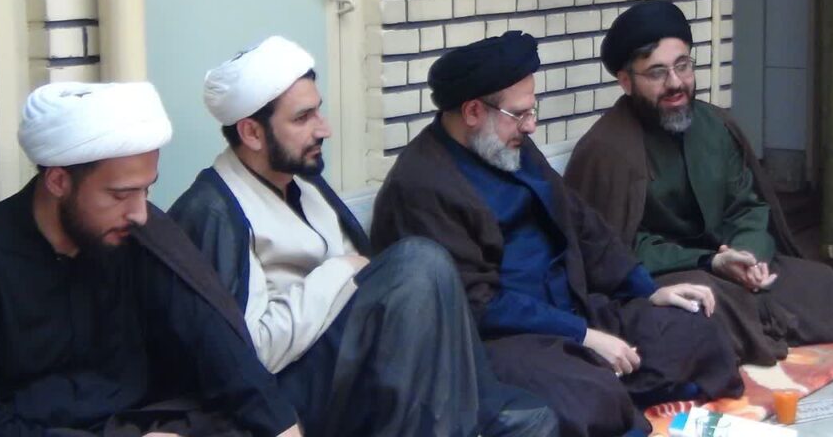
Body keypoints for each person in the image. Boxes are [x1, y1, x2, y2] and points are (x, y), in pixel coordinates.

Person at [169, 36, 557, 437]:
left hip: (358, 363)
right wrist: (338, 272)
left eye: (318, 111)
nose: (324, 129)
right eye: (303, 118)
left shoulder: (303, 183)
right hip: (298, 394)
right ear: (251, 132)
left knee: (536, 421)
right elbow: (248, 354)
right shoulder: (214, 211)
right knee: (419, 262)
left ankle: (475, 412)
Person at [370, 31, 743, 437]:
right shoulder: (422, 187)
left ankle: (622, 395)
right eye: (520, 114)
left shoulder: (508, 145)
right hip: (506, 341)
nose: (531, 125)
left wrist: (646, 289)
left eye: (532, 110)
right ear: (473, 111)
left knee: (696, 332)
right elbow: (476, 305)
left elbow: (582, 223)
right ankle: (619, 398)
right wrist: (582, 336)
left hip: (575, 306)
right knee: (585, 392)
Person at [0, 82, 301, 436]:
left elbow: (215, 345)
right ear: (59, 181)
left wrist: (281, 426)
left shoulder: (142, 235)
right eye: (120, 195)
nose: (139, 213)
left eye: (146, 190)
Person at [564, 0, 833, 365]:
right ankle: (752, 333)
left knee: (823, 285)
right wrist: (709, 261)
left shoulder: (716, 126)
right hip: (666, 274)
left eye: (683, 66)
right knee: (705, 307)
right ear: (626, 82)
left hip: (728, 260)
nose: (676, 83)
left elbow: (747, 205)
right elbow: (615, 248)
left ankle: (753, 328)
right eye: (657, 73)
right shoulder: (605, 151)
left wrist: (749, 256)